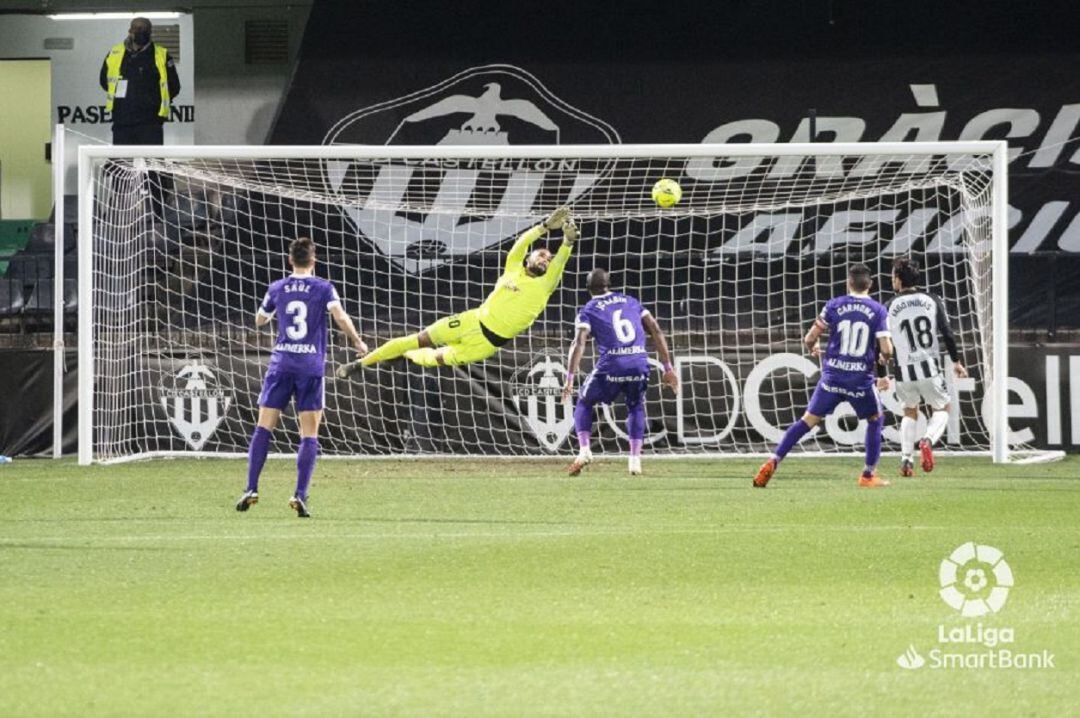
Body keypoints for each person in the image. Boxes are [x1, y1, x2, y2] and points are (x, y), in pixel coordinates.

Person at [338, 206, 577, 372]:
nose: (546, 259)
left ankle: (404, 355)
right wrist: (544, 226)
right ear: (529, 259)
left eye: (548, 258)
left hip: (485, 345)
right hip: (470, 321)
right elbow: (520, 244)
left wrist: (567, 242)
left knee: (434, 359)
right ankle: (360, 364)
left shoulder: (545, 285)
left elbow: (561, 260)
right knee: (417, 338)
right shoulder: (513, 269)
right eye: (542, 255)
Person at [236, 237, 368, 517]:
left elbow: (260, 319)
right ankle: (300, 494)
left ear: (290, 260)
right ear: (314, 260)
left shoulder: (277, 287)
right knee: (309, 433)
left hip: (281, 364)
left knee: (264, 428)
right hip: (310, 367)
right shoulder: (324, 287)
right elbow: (340, 316)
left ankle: (251, 487)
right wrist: (357, 342)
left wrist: (273, 312)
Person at [754, 264, 894, 488]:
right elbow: (886, 349)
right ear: (870, 284)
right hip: (860, 379)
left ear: (848, 283)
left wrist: (813, 345)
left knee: (807, 421)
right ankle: (868, 475)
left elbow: (809, 338)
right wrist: (884, 361)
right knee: (875, 419)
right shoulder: (878, 310)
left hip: (832, 377)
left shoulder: (834, 305)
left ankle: (773, 459)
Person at [562, 269, 678, 476]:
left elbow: (578, 342)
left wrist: (569, 378)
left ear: (588, 289)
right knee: (635, 406)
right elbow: (656, 329)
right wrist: (668, 367)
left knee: (584, 401)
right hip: (639, 363)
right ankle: (634, 461)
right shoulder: (630, 301)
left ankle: (585, 450)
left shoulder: (588, 309)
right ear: (609, 285)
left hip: (612, 364)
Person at [885, 257, 968, 476]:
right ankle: (927, 440)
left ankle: (906, 460)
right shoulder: (932, 300)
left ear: (898, 279)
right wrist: (956, 361)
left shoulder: (889, 306)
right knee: (943, 408)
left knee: (909, 412)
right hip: (929, 368)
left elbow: (882, 342)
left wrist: (880, 373)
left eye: (893, 275)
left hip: (903, 370)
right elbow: (947, 333)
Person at [99, 17, 181, 145]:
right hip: (122, 120)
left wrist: (153, 101)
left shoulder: (161, 54)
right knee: (122, 162)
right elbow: (105, 81)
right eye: (137, 28)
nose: (141, 31)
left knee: (152, 163)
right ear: (130, 31)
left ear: (150, 32)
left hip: (151, 121)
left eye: (145, 29)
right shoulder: (115, 53)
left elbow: (174, 86)